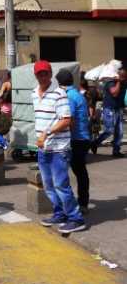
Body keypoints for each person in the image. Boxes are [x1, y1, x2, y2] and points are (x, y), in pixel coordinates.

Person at [32, 60, 85, 233]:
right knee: (48, 185)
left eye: (46, 73)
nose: (43, 76)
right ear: (35, 75)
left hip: (59, 148)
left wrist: (47, 132)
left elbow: (66, 120)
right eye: (40, 74)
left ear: (50, 75)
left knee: (61, 184)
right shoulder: (34, 93)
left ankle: (76, 218)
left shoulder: (59, 94)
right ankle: (60, 213)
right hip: (43, 148)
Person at [56, 69, 91, 213]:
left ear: (59, 83)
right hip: (83, 138)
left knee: (67, 171)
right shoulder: (77, 94)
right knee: (80, 171)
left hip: (76, 139)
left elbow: (69, 120)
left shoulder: (68, 96)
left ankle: (77, 205)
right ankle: (82, 202)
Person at [92, 68, 126, 157]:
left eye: (124, 76)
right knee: (109, 130)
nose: (123, 78)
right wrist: (118, 82)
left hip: (119, 109)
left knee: (120, 132)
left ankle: (116, 151)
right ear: (118, 75)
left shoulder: (123, 83)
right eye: (122, 76)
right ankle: (95, 143)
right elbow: (114, 93)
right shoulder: (111, 83)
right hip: (109, 109)